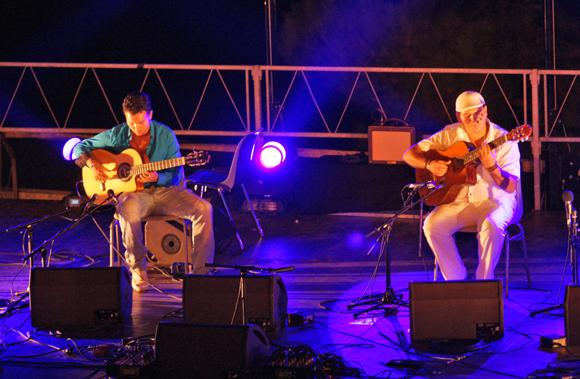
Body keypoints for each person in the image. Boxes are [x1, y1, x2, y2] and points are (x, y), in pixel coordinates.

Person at [73, 92, 215, 292]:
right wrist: (93, 163)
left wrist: (158, 177)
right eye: (131, 123)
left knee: (204, 207)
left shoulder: (166, 134)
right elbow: (79, 148)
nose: (136, 128)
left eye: (141, 122)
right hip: (136, 195)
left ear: (150, 115)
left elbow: (175, 174)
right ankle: (138, 269)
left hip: (166, 191)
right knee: (127, 206)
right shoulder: (117, 134)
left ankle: (202, 273)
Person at [402, 91, 521, 280]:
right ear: (459, 116)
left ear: (486, 110)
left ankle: (484, 281)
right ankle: (455, 279)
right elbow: (409, 154)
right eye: (468, 115)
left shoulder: (505, 139)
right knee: (432, 225)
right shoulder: (451, 133)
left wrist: (492, 166)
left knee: (491, 224)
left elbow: (510, 187)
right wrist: (430, 165)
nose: (475, 118)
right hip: (458, 200)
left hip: (496, 201)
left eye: (479, 112)